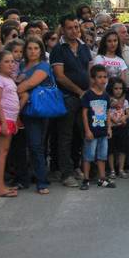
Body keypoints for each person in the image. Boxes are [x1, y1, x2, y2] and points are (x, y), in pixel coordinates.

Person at [50, 15, 93, 188]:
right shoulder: (58, 49)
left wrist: (90, 91)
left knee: (79, 134)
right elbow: (60, 76)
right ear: (63, 29)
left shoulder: (84, 47)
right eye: (70, 28)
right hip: (67, 97)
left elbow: (89, 70)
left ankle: (76, 166)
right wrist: (79, 91)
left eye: (76, 27)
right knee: (65, 136)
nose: (74, 31)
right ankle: (65, 172)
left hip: (83, 98)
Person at [16, 38, 52, 194]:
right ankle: (22, 179)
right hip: (20, 109)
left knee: (36, 146)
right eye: (29, 48)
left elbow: (29, 84)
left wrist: (12, 90)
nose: (32, 51)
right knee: (19, 147)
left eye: (36, 48)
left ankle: (41, 181)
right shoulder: (21, 65)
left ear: (41, 50)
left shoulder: (43, 66)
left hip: (36, 110)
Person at [0, 51, 21, 199]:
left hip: (10, 118)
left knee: (5, 151)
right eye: (6, 62)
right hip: (3, 119)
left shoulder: (8, 79)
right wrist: (3, 122)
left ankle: (1, 184)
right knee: (2, 152)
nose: (11, 64)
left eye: (12, 61)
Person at [81, 65, 114, 190]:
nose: (103, 80)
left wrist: (109, 128)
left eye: (105, 77)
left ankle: (102, 178)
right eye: (99, 77)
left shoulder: (105, 96)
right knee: (88, 156)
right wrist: (87, 130)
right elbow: (84, 113)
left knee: (102, 156)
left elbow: (107, 113)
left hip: (103, 131)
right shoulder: (88, 95)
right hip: (92, 131)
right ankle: (86, 179)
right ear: (93, 79)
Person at [106, 79, 129, 179]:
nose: (118, 90)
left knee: (122, 149)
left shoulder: (125, 102)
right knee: (110, 149)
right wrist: (113, 119)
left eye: (120, 88)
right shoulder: (108, 100)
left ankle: (121, 169)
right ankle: (112, 170)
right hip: (111, 128)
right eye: (116, 88)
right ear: (111, 89)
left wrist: (124, 117)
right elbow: (105, 112)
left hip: (122, 128)